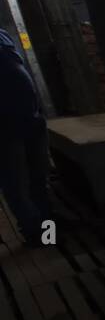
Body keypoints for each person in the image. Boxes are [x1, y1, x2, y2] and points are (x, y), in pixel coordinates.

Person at [0, 28, 50, 247]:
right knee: (16, 183)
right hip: (5, 128)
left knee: (39, 177)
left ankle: (49, 225)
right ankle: (34, 230)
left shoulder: (2, 34)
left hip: (30, 118)